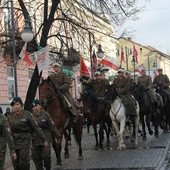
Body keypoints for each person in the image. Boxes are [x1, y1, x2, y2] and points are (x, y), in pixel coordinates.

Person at [8, 97, 48, 170]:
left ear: (21, 105)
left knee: (24, 163)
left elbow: (36, 127)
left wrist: (44, 139)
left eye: (17, 104)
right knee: (15, 164)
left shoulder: (27, 114)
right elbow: (7, 131)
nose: (15, 106)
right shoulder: (9, 117)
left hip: (25, 142)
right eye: (14, 105)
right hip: (14, 142)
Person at [31, 99, 61, 170]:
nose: (35, 108)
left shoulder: (45, 114)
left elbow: (52, 126)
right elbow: (29, 128)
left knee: (46, 155)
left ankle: (48, 167)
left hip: (46, 138)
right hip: (35, 140)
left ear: (40, 106)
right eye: (34, 106)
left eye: (36, 106)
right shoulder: (31, 117)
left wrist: (58, 135)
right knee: (36, 158)